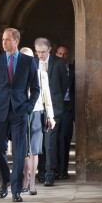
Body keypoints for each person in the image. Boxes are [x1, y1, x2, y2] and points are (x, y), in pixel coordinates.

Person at [0, 28, 40, 202]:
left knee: (19, 150)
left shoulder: (28, 61)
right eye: (3, 40)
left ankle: (16, 189)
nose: (4, 43)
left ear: (16, 40)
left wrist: (29, 107)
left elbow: (35, 88)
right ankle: (5, 182)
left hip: (19, 112)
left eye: (7, 40)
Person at [20, 47, 55, 195]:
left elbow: (47, 97)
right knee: (22, 150)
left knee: (34, 150)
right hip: (20, 114)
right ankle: (24, 179)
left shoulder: (41, 74)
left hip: (36, 112)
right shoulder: (14, 74)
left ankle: (32, 182)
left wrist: (50, 117)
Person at [34, 38, 68, 187]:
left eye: (43, 52)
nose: (40, 55)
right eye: (38, 52)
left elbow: (64, 85)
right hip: (36, 108)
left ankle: (50, 173)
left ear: (49, 50)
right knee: (39, 143)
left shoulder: (59, 64)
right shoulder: (33, 63)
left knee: (50, 142)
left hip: (54, 109)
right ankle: (41, 172)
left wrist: (55, 102)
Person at [56, 45, 75, 179]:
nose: (63, 56)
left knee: (64, 138)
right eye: (60, 54)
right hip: (56, 107)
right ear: (56, 54)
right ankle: (54, 170)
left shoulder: (74, 70)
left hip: (68, 107)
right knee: (54, 139)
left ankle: (63, 171)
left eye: (65, 54)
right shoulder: (53, 69)